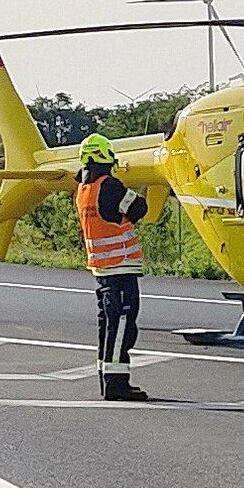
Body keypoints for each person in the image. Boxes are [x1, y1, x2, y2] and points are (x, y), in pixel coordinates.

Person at [75, 133, 151, 402]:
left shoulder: (83, 191)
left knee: (107, 327)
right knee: (121, 327)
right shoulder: (109, 186)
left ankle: (107, 379)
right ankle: (117, 385)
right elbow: (139, 208)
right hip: (120, 269)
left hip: (103, 271)